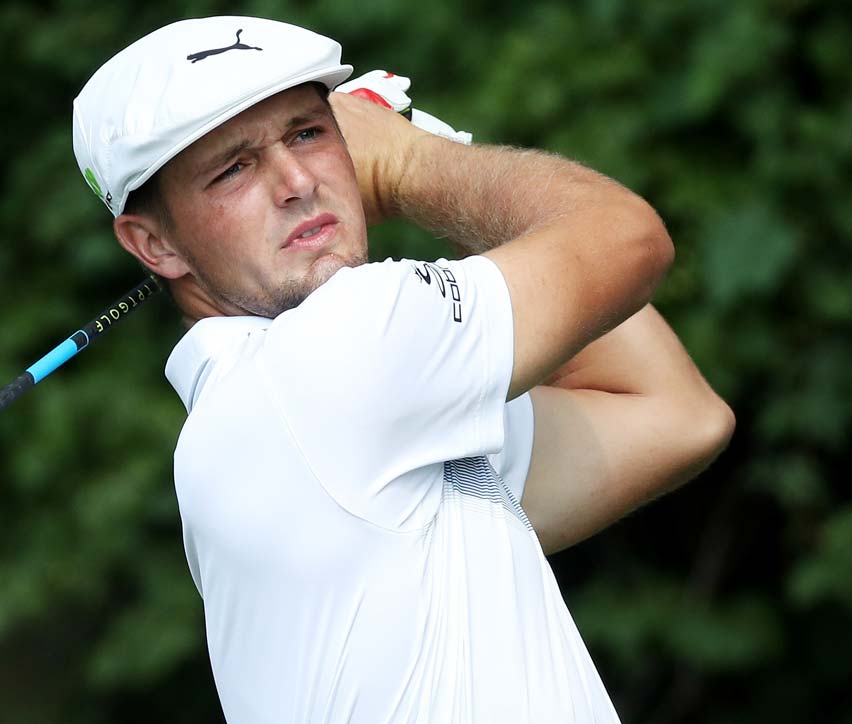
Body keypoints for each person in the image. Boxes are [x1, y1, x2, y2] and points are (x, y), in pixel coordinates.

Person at [73, 16, 734, 724]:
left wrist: (430, 175)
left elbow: (675, 415)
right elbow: (629, 241)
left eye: (309, 133)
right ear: (154, 243)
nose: (298, 181)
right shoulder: (335, 354)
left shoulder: (298, 412)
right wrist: (417, 166)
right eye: (233, 169)